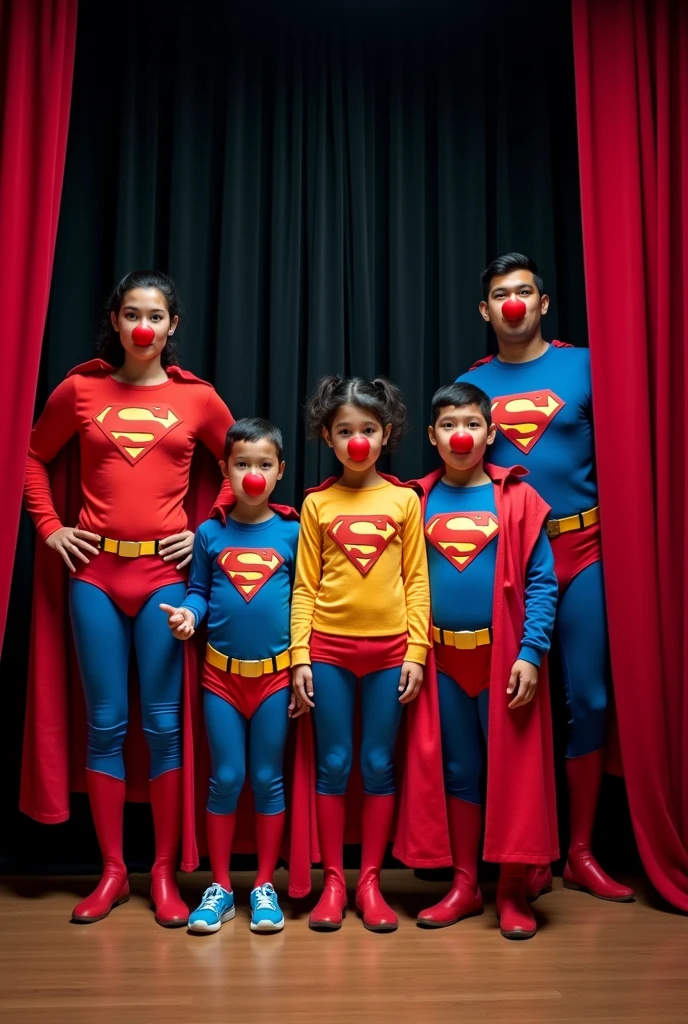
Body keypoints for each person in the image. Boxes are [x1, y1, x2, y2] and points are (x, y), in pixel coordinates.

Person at [22, 270, 235, 925]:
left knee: (165, 729)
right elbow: (33, 455)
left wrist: (204, 533)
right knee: (107, 725)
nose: (144, 325)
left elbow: (241, 463)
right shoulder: (81, 390)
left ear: (173, 327)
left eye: (157, 315)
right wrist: (50, 530)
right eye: (132, 313)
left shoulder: (197, 399)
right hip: (95, 578)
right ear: (115, 320)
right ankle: (113, 871)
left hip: (166, 580)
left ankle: (163, 874)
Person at [457, 253, 633, 902]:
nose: (512, 303)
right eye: (500, 294)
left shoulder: (585, 365)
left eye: (523, 292)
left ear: (543, 302)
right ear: (485, 310)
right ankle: (518, 855)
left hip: (584, 549)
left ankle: (582, 851)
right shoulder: (470, 386)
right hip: (511, 562)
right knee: (514, 709)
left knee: (586, 699)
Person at [290, 376, 439, 933]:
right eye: (345, 430)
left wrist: (418, 651)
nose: (357, 440)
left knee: (376, 764)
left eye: (368, 430)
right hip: (327, 651)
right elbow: (303, 586)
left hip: (389, 654)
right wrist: (299, 655)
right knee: (333, 764)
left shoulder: (405, 500)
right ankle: (334, 881)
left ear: (387, 435)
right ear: (328, 437)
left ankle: (370, 881)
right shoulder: (316, 504)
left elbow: (417, 581)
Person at [413, 382, 558, 939]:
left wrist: (531, 651)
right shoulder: (415, 500)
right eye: (449, 425)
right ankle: (467, 884)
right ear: (432, 436)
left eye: (472, 424)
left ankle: (513, 889)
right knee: (458, 771)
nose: (461, 435)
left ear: (492, 433)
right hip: (442, 662)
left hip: (504, 662)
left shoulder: (518, 498)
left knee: (513, 774)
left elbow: (542, 582)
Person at [161, 418, 299, 934]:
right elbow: (197, 590)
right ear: (225, 469)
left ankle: (265, 886)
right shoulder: (209, 533)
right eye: (242, 464)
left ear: (280, 471)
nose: (253, 474)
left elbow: (304, 600)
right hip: (219, 678)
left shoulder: (292, 531)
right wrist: (188, 616)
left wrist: (301, 664)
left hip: (275, 679)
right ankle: (219, 886)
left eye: (264, 465)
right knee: (226, 778)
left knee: (266, 778)